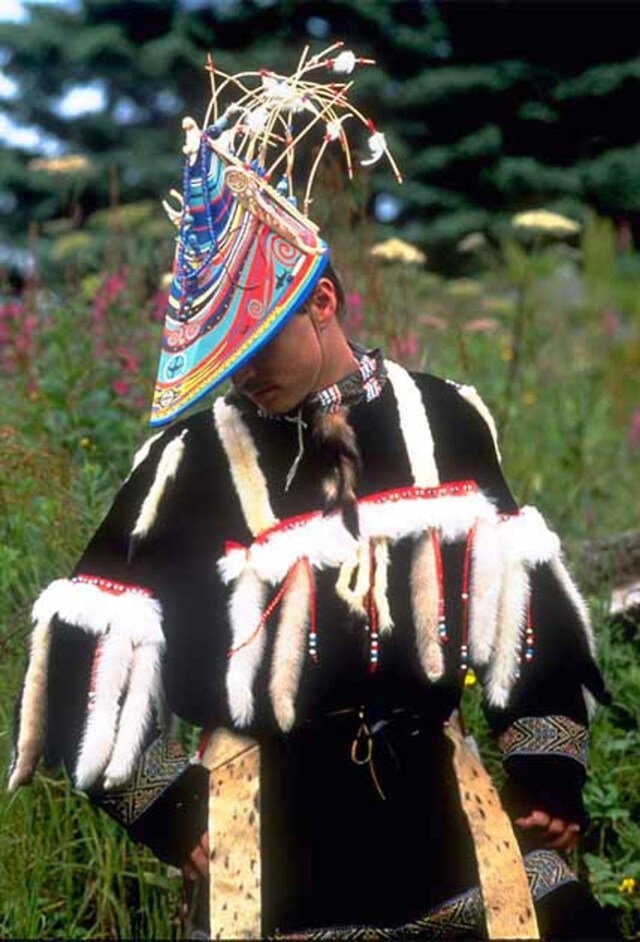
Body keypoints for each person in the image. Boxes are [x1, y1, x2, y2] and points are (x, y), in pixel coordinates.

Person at [9, 45, 618, 940]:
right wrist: (170, 813)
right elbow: (84, 648)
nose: (246, 379)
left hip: (445, 822)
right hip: (267, 842)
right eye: (226, 361)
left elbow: (525, 613)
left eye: (261, 349)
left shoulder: (443, 418)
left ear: (324, 300)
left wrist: (546, 771)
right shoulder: (189, 462)